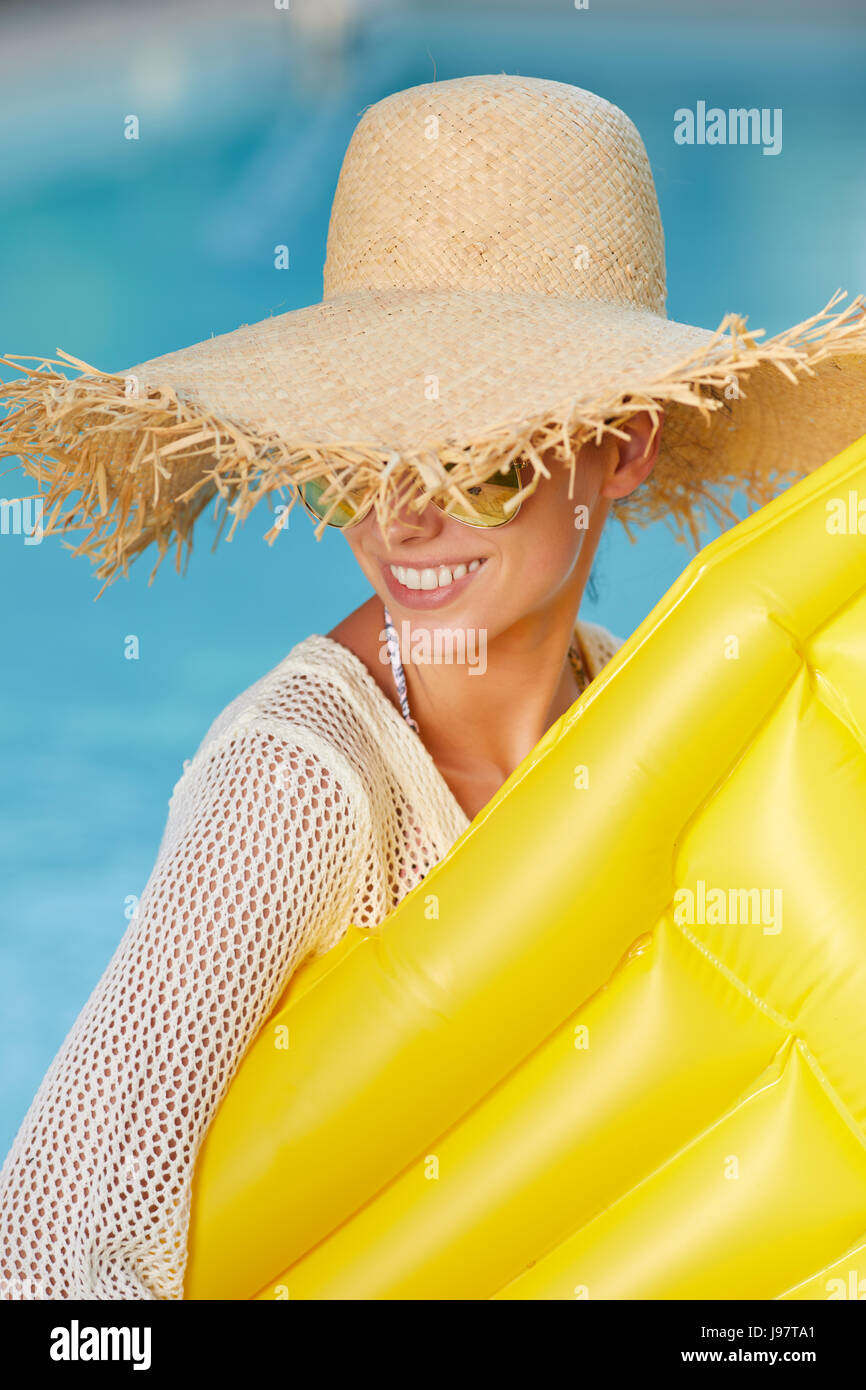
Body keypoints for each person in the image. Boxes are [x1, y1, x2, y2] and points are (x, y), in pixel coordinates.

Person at [0, 73, 864, 1300]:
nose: (401, 521)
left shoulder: (643, 716)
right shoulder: (301, 784)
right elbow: (53, 1241)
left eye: (473, 460)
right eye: (359, 458)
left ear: (621, 447)